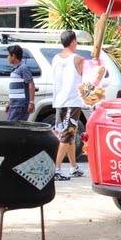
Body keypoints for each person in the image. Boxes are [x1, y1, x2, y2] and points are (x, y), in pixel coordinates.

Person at [51, 30, 85, 181]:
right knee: (66, 135)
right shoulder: (78, 59)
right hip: (72, 102)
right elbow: (88, 76)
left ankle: (73, 167)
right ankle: (56, 168)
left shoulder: (55, 59)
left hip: (59, 101)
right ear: (73, 42)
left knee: (69, 134)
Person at [5, 44, 35, 121]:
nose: (7, 57)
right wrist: (10, 102)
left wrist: (31, 102)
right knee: (11, 126)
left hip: (20, 105)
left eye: (8, 55)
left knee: (14, 126)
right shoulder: (15, 69)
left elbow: (31, 83)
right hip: (14, 105)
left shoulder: (23, 68)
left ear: (13, 56)